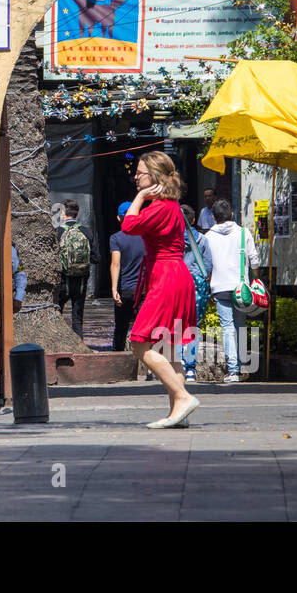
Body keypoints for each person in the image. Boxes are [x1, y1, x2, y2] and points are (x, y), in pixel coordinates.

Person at [120, 151, 200, 428]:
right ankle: (178, 412)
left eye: (139, 173)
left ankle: (182, 396)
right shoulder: (171, 206)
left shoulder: (159, 206)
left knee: (139, 342)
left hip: (166, 278)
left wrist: (140, 198)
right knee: (169, 349)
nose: (135, 176)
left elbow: (127, 226)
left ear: (154, 176)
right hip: (176, 276)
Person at [203, 199, 260, 384]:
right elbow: (255, 260)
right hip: (241, 288)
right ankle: (243, 366)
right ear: (233, 215)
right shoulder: (243, 233)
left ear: (213, 217)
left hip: (219, 288)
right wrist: (256, 278)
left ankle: (233, 370)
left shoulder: (208, 237)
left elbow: (206, 266)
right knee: (240, 326)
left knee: (228, 328)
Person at [179, 203, 214, 384]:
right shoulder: (201, 239)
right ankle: (191, 368)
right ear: (193, 220)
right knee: (193, 325)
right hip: (196, 285)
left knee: (176, 324)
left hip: (176, 283)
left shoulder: (171, 239)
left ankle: (179, 365)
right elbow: (208, 265)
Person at [109, 201, 147, 353]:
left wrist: (113, 289)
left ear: (119, 218)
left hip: (126, 290)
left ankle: (118, 361)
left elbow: (115, 264)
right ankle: (149, 369)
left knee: (121, 327)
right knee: (145, 328)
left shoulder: (116, 238)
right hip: (145, 290)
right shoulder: (147, 236)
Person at [55, 199, 96, 338]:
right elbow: (96, 257)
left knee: (57, 314)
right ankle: (79, 346)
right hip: (81, 282)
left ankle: (58, 343)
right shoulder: (86, 232)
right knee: (77, 319)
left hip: (62, 281)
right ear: (76, 214)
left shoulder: (58, 232)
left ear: (62, 213)